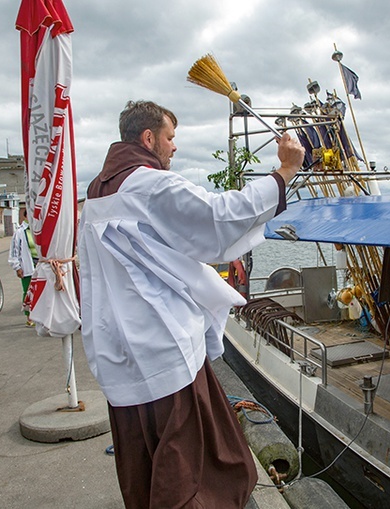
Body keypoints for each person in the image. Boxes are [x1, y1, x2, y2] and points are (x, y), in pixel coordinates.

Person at [78, 100, 305, 508]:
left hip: (118, 350)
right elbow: (219, 217)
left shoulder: (96, 193)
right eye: (170, 138)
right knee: (190, 470)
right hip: (162, 348)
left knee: (143, 461)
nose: (174, 148)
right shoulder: (148, 184)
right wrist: (284, 172)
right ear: (148, 139)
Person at [8, 209, 38, 327]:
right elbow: (14, 251)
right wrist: (17, 267)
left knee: (42, 290)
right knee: (28, 291)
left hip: (41, 263)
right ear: (25, 217)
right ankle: (29, 316)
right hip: (27, 265)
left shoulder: (38, 229)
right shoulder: (20, 232)